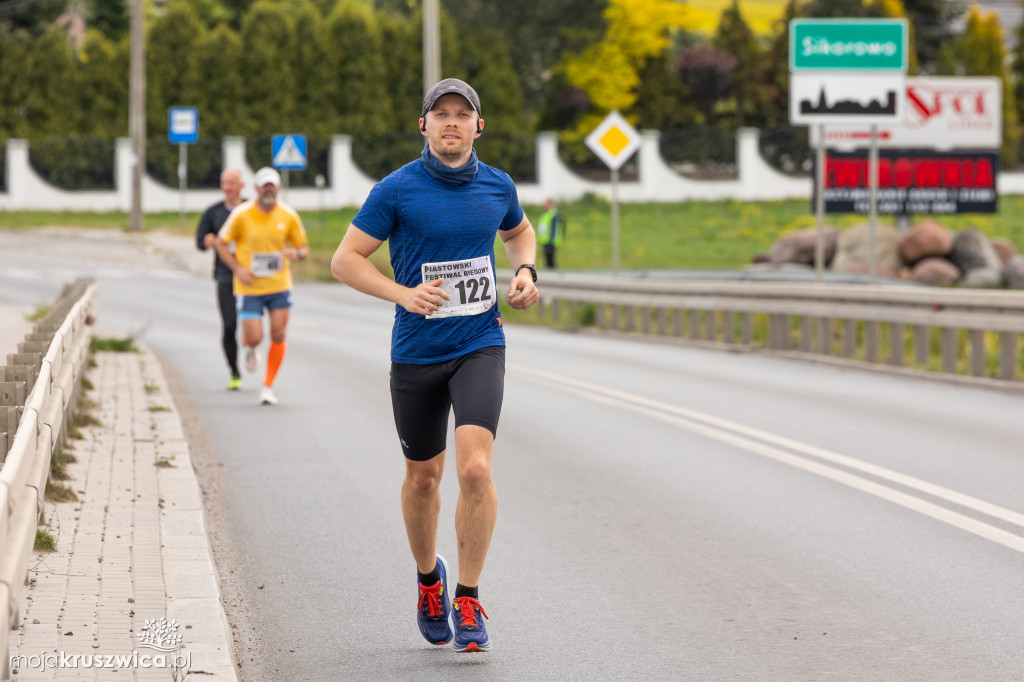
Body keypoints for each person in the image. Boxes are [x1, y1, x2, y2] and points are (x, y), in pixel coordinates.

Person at [330, 78, 539, 653]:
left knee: (475, 470)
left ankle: (468, 597)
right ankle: (430, 581)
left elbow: (519, 233)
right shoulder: (396, 190)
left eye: (462, 115)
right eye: (440, 114)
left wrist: (525, 273)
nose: (452, 123)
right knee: (424, 479)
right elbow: (344, 261)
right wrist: (402, 294)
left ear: (478, 126)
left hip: (479, 342)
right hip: (417, 352)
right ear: (424, 126)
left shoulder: (498, 186)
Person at [214, 166, 309, 406]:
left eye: (272, 185)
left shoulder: (288, 215)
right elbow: (220, 243)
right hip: (249, 287)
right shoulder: (241, 214)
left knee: (278, 333)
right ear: (256, 188)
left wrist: (295, 254)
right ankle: (249, 345)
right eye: (264, 185)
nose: (269, 189)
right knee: (255, 337)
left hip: (279, 285)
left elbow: (303, 248)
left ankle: (267, 386)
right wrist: (237, 269)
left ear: (278, 188)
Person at [196, 168, 246, 390]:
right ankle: (234, 370)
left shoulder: (251, 209)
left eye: (232, 183)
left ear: (241, 185)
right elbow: (199, 241)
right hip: (225, 276)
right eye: (224, 183)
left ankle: (251, 345)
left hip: (252, 277)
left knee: (252, 324)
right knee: (229, 325)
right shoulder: (213, 212)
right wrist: (206, 241)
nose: (227, 188)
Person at [537, 198, 565, 269]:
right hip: (545, 239)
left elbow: (553, 228)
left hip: (550, 240)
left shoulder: (553, 214)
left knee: (550, 259)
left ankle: (553, 274)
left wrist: (551, 241)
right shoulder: (545, 213)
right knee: (547, 259)